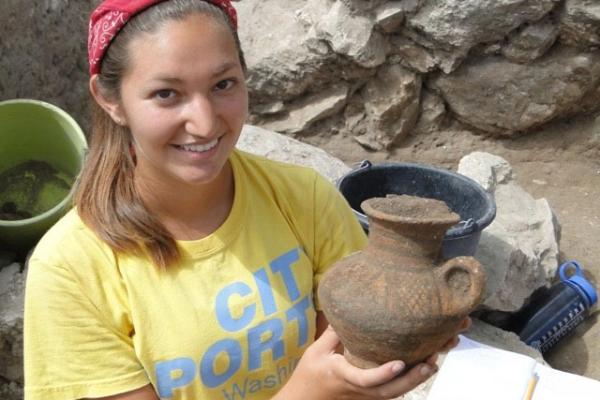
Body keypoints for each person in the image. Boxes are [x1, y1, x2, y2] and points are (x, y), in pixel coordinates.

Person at [23, 1, 468, 399]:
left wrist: (400, 344)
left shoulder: (304, 199)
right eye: (166, 94)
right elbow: (320, 384)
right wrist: (309, 393)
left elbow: (348, 353)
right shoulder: (69, 271)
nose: (204, 122)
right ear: (110, 99)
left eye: (223, 85)